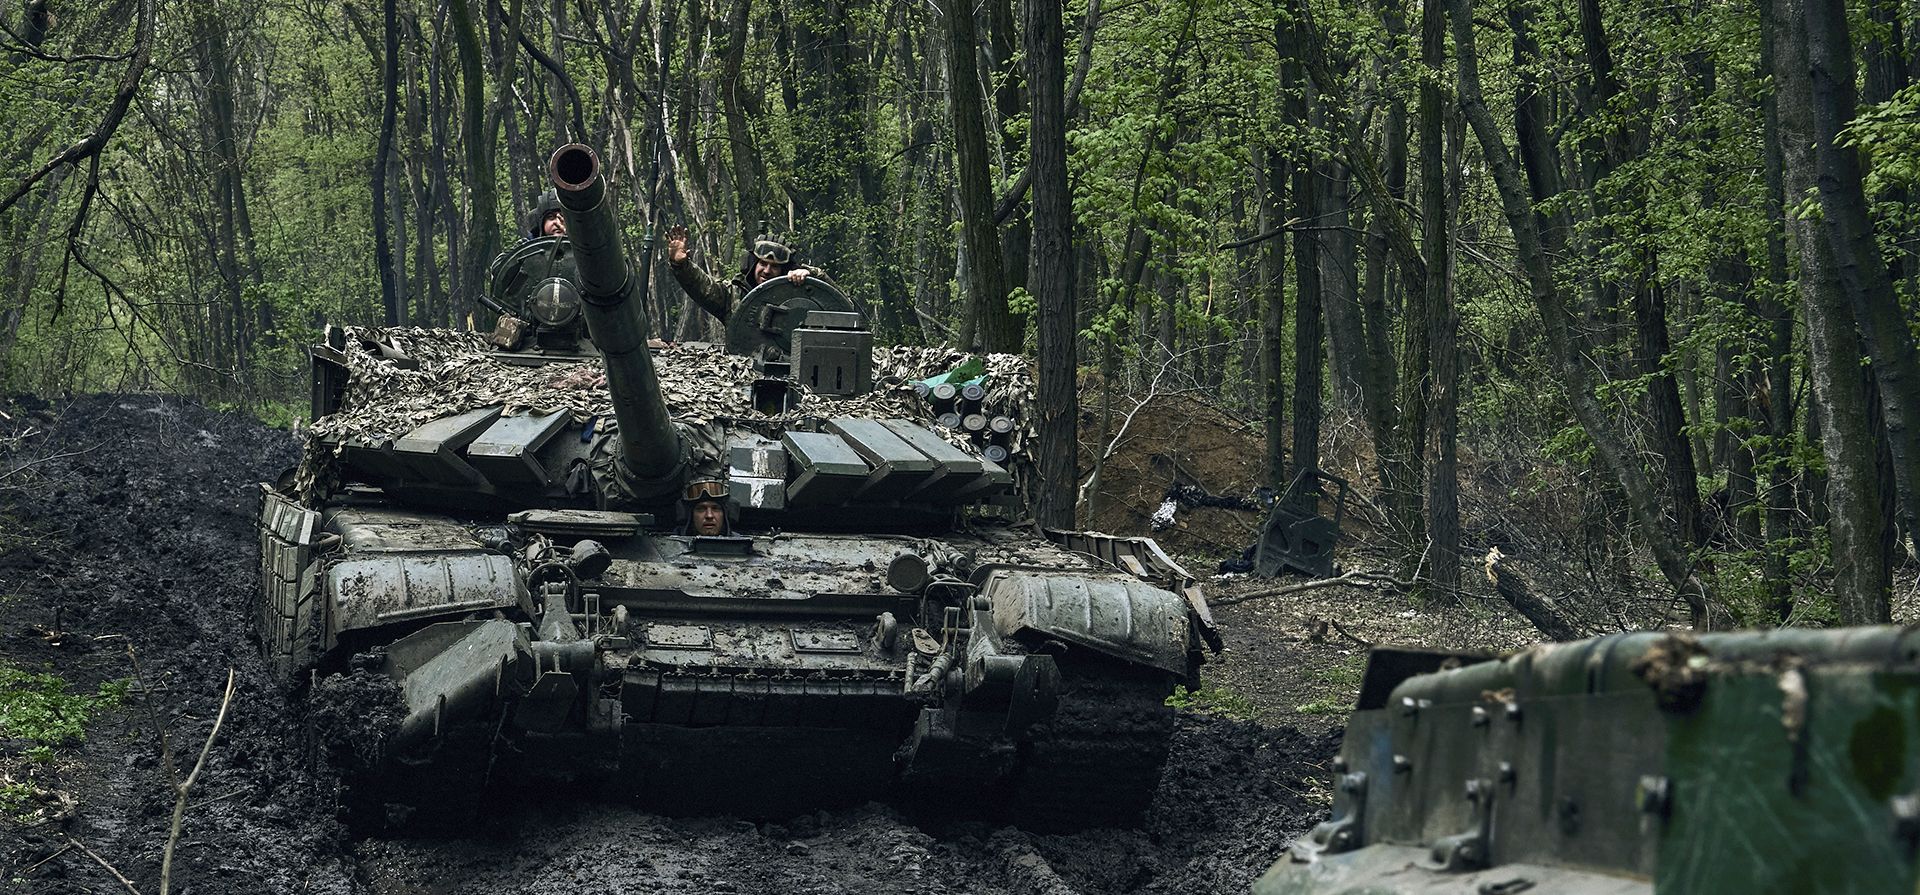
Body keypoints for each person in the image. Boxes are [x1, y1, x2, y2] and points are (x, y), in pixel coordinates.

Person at [664, 226, 821, 324]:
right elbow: (703, 287)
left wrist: (812, 276)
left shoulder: (799, 297)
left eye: (774, 267)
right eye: (762, 264)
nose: (767, 271)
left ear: (783, 271)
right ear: (752, 265)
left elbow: (840, 309)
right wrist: (681, 265)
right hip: (740, 371)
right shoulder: (733, 296)